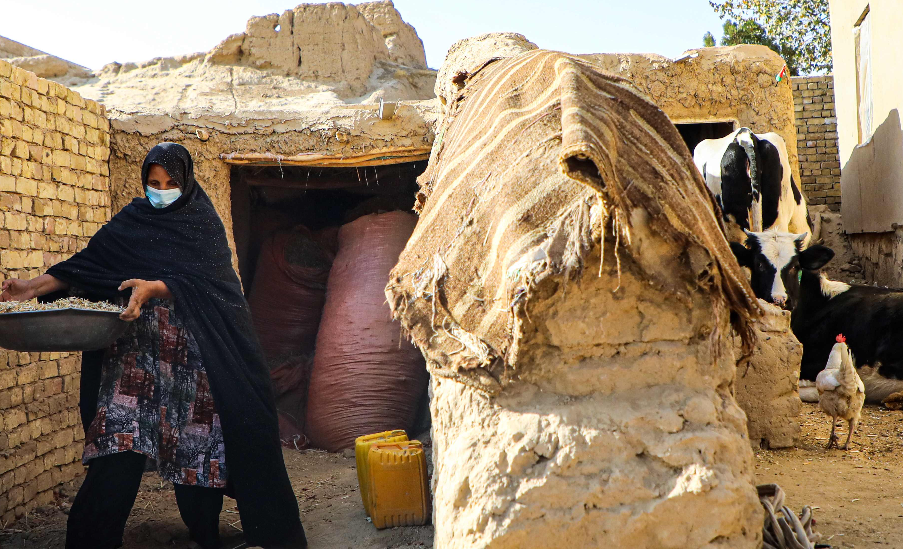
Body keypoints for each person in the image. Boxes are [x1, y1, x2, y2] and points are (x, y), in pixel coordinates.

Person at [0, 143, 305, 549]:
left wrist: (156, 287)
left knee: (198, 454)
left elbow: (215, 286)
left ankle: (205, 535)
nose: (161, 190)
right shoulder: (131, 221)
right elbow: (86, 266)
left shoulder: (202, 222)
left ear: (187, 181)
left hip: (193, 365)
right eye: (154, 183)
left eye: (171, 183)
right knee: (117, 444)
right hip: (133, 363)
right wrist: (30, 288)